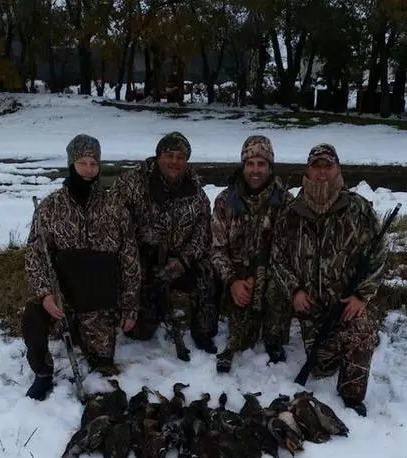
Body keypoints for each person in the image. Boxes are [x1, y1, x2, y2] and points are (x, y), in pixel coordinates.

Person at [269, 143, 387, 416]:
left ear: (338, 169)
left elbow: (379, 255)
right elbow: (278, 257)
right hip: (310, 305)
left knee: (362, 334)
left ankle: (351, 397)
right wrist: (295, 290)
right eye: (316, 166)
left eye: (327, 166)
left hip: (346, 302)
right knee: (322, 365)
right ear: (308, 171)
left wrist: (362, 295)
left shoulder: (358, 209)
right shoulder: (292, 212)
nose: (322, 173)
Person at [23, 134, 140, 401]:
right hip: (62, 296)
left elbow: (130, 260)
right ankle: (42, 373)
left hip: (98, 299)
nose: (88, 170)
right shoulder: (50, 207)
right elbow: (35, 255)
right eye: (82, 162)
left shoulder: (115, 208)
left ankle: (83, 330)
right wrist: (45, 294)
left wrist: (130, 306)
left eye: (93, 163)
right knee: (32, 317)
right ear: (71, 164)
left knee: (102, 363)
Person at [111, 132, 217, 357]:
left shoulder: (195, 188)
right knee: (141, 331)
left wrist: (183, 260)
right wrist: (137, 260)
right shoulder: (132, 183)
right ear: (158, 156)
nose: (175, 162)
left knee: (207, 273)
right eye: (169, 155)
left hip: (179, 258)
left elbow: (203, 232)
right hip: (141, 260)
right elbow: (115, 226)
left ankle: (203, 331)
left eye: (181, 157)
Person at [211, 135, 290, 374]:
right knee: (243, 339)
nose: (255, 170)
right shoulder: (225, 200)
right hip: (236, 276)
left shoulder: (285, 201)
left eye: (261, 164)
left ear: (270, 167)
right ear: (243, 166)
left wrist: (262, 276)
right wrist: (233, 281)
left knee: (278, 289)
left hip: (272, 272)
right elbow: (216, 249)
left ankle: (274, 337)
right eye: (250, 164)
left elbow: (290, 251)